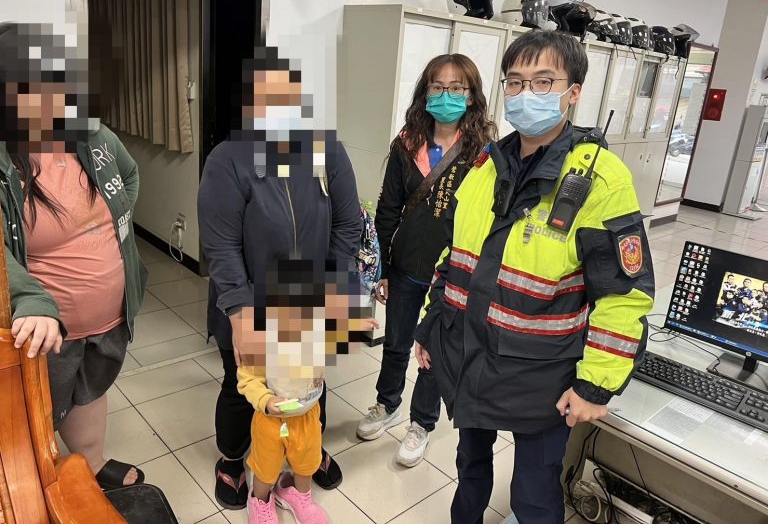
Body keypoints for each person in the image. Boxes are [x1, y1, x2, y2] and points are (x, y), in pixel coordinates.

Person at [414, 30, 655, 524]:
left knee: (535, 494)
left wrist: (595, 385)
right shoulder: (486, 165)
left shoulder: (601, 179)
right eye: (516, 82)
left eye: (543, 81)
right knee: (470, 472)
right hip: (470, 356)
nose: (527, 94)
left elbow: (623, 295)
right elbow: (454, 256)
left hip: (544, 375)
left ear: (574, 91)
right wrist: (431, 326)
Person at [198, 47, 361, 510]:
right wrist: (239, 312)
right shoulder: (228, 159)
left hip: (310, 295)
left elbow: (349, 223)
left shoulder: (327, 150)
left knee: (311, 380)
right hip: (248, 297)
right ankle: (232, 458)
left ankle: (306, 453)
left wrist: (334, 289)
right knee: (242, 383)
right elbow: (221, 245)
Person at [0, 22, 148, 489]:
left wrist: (113, 232)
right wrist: (29, 299)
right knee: (37, 415)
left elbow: (129, 175)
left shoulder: (92, 135)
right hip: (47, 332)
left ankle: (92, 463)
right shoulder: (5, 163)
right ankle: (39, 486)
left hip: (109, 318)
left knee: (91, 390)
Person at [356, 54, 497, 467]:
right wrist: (382, 270)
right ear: (425, 92)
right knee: (397, 342)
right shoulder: (407, 143)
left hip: (452, 273)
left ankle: (421, 423)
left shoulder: (484, 152)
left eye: (456, 88)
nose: (446, 95)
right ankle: (387, 403)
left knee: (434, 350)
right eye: (438, 87)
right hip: (405, 265)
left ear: (471, 96)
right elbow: (388, 210)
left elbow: (486, 218)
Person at [237, 258, 377, 523]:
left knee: (307, 462)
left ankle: (300, 496)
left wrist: (356, 325)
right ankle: (260, 500)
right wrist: (265, 400)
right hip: (271, 419)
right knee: (266, 466)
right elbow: (247, 379)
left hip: (308, 415)